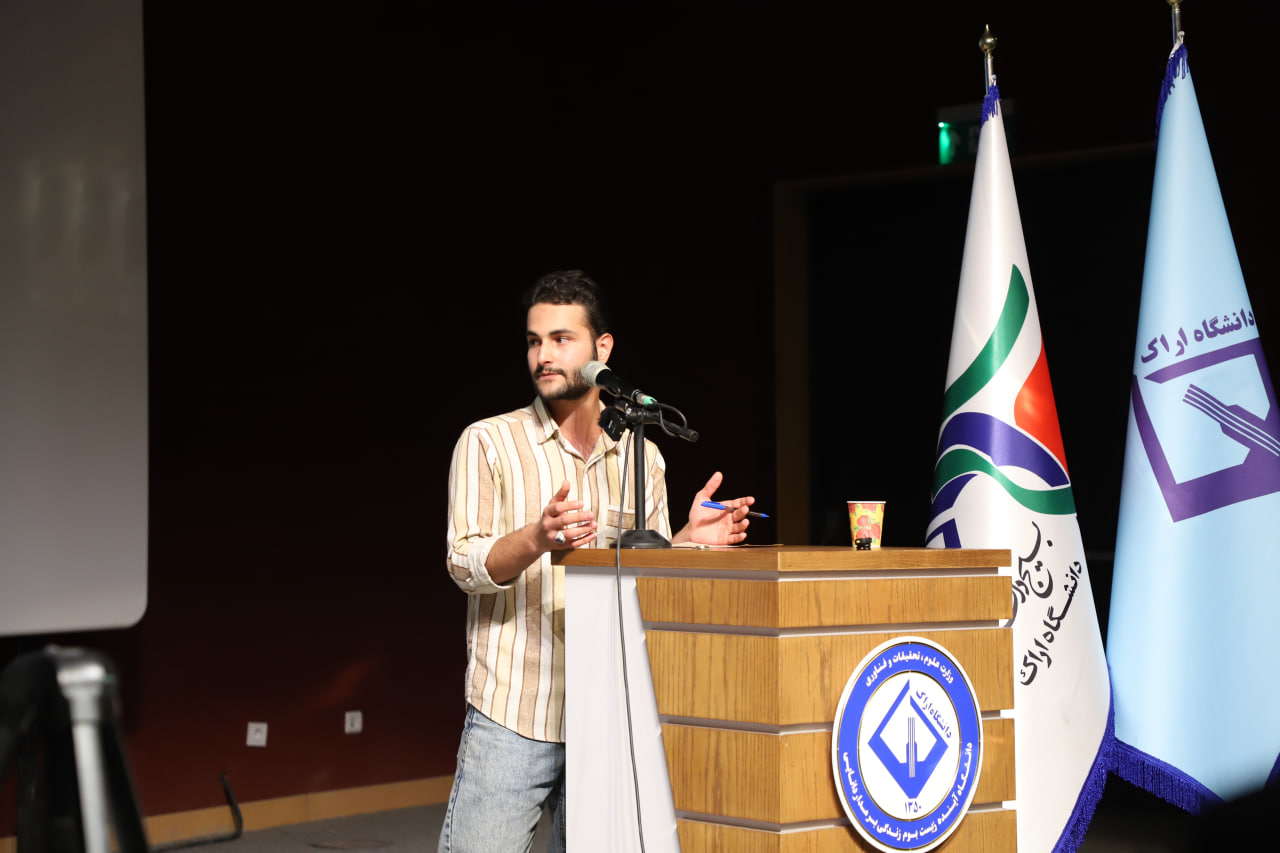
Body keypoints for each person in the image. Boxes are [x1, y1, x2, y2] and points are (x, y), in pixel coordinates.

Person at [438, 270, 755, 853]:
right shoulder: (487, 442)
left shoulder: (643, 457)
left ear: (601, 350)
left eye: (562, 339)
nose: (543, 355)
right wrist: (536, 538)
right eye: (534, 341)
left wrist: (687, 539)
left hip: (605, 713)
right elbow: (464, 563)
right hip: (515, 710)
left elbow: (642, 581)